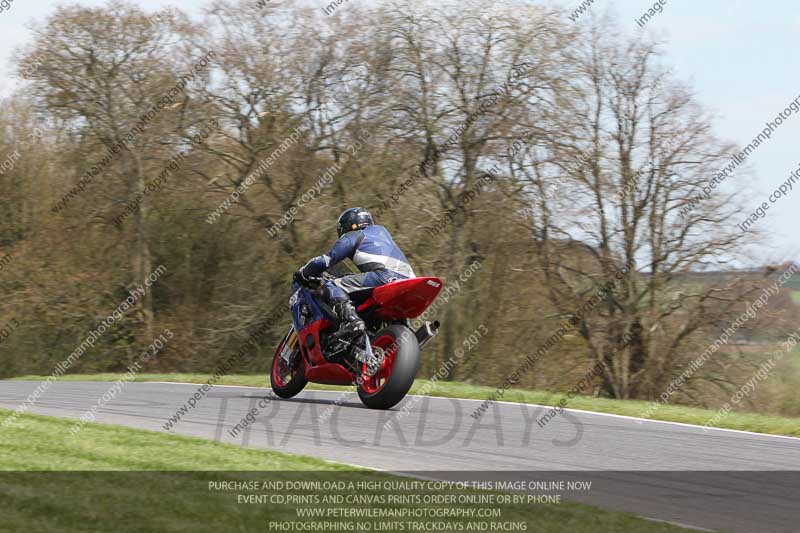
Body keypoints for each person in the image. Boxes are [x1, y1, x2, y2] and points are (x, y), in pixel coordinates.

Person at [294, 207, 415, 339]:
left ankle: (352, 321)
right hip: (410, 279)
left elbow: (326, 260)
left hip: (385, 277)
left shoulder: (353, 236)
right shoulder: (382, 232)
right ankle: (407, 329)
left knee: (330, 286)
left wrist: (305, 272)